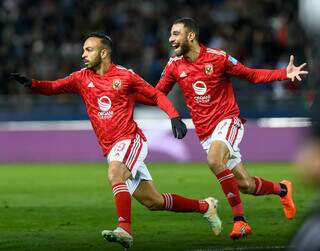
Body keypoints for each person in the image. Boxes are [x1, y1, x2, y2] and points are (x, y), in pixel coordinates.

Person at [9, 32, 222, 249]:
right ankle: (205, 206)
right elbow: (53, 87)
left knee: (114, 174)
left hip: (130, 140)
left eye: (88, 50)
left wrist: (174, 116)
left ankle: (125, 229)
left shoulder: (125, 76)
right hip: (112, 148)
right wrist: (32, 83)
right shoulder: (81, 78)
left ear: (104, 53)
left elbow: (156, 94)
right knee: (154, 201)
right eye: (83, 50)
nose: (83, 54)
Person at [135, 17, 308, 240]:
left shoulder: (218, 58)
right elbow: (157, 94)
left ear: (191, 36)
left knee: (215, 160)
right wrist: (131, 91)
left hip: (228, 121)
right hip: (206, 134)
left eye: (176, 34)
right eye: (171, 34)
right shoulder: (174, 66)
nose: (170, 39)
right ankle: (283, 189)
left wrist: (283, 74)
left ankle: (240, 221)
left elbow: (251, 75)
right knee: (245, 184)